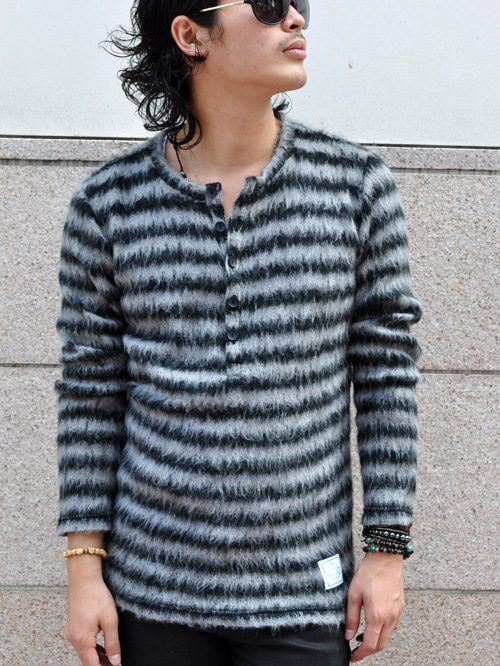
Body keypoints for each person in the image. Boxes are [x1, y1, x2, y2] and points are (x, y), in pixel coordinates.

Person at [55, 1, 423, 665]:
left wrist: (386, 549)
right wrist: (85, 571)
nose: (295, 20)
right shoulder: (108, 204)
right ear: (191, 35)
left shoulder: (356, 187)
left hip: (304, 593)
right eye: (267, 5)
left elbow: (387, 378)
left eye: (300, 5)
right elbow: (90, 394)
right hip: (151, 595)